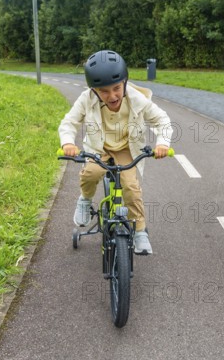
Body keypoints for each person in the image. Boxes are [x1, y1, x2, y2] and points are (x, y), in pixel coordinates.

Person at [58, 50, 172, 255]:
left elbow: (162, 120)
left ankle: (139, 231)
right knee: (91, 173)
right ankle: (84, 199)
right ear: (93, 90)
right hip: (98, 148)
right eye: (104, 91)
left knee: (130, 188)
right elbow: (69, 122)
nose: (112, 96)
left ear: (125, 82)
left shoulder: (137, 99)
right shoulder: (86, 99)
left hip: (126, 148)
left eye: (117, 88)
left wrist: (162, 143)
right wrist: (68, 143)